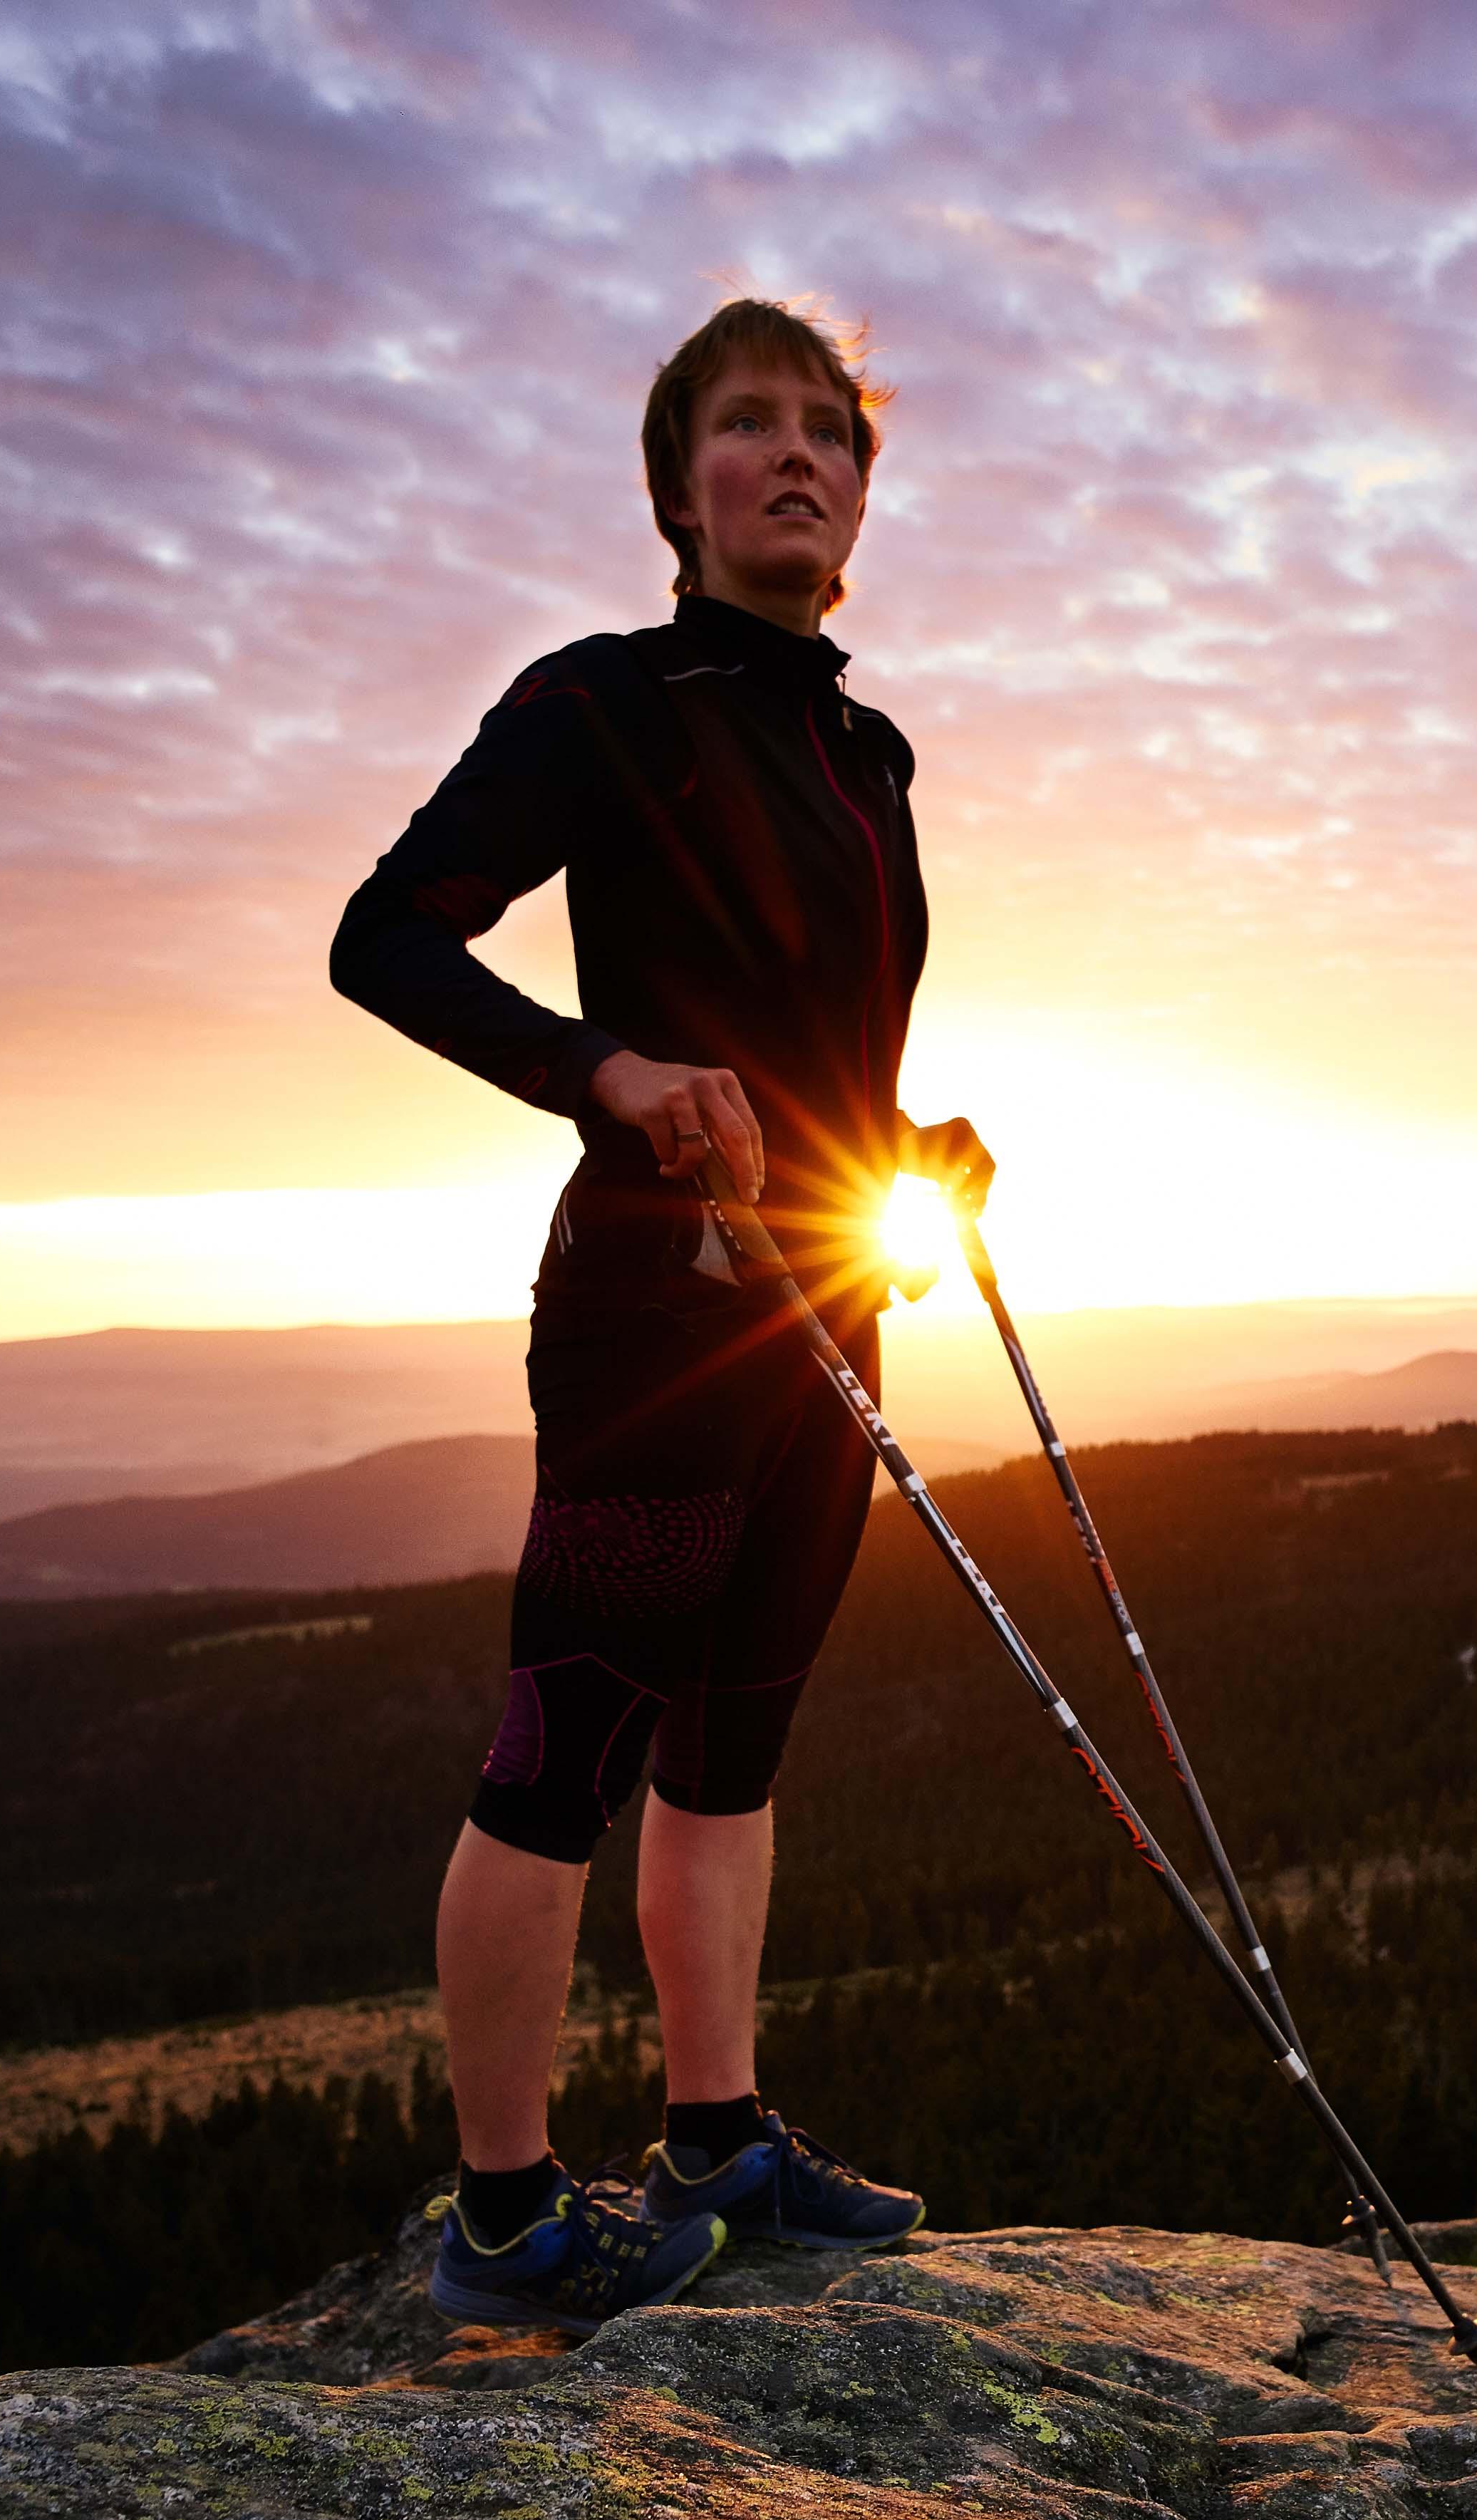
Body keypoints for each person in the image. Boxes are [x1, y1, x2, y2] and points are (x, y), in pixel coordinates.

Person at [328, 299, 987, 2327]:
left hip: (826, 1302)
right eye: (749, 427)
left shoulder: (862, 747)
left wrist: (917, 1151)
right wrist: (604, 1071)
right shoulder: (605, 702)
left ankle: (721, 2142)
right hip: (655, 1297)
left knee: (735, 1748)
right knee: (570, 1736)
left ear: (863, 498)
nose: (799, 458)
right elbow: (383, 937)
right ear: (675, 485)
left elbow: (823, 1047)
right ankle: (507, 2221)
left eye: (834, 436)